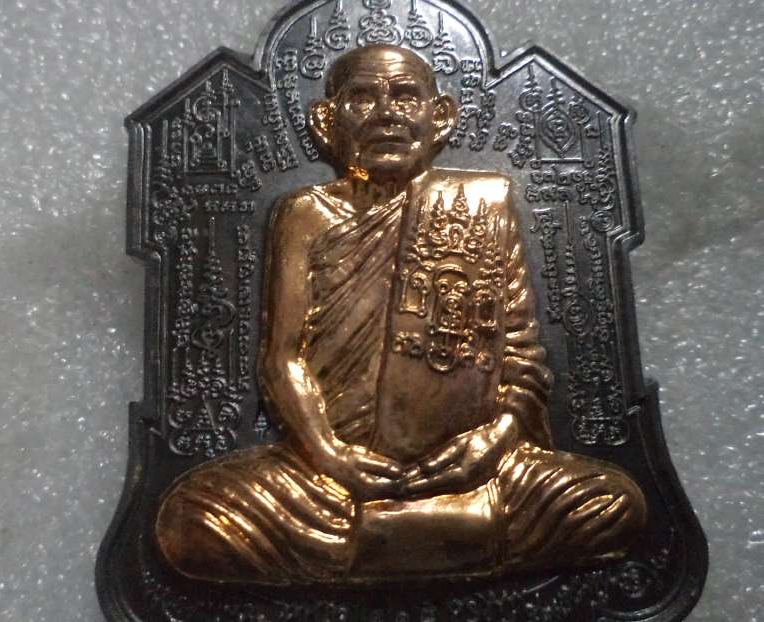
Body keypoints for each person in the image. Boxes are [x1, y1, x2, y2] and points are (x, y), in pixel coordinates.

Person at [155, 44, 646, 584]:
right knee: (192, 523)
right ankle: (448, 541)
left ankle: (382, 546)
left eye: (406, 97)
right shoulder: (306, 215)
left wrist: (494, 441)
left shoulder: (483, 204)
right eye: (362, 98)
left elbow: (521, 356)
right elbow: (282, 359)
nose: (386, 113)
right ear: (327, 121)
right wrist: (330, 456)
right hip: (331, 480)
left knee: (613, 504)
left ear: (442, 117)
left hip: (471, 471)